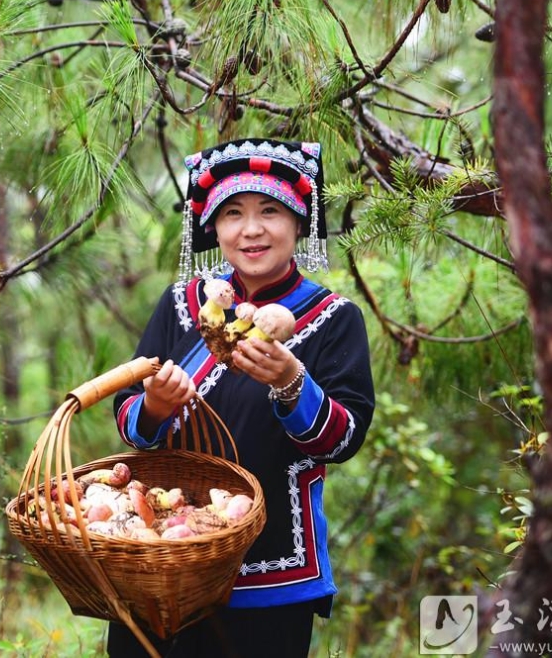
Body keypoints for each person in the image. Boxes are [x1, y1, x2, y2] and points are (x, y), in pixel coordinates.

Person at [108, 138, 375, 657]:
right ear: (214, 228)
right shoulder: (181, 304)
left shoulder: (333, 319)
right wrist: (155, 408)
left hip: (272, 572)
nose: (251, 230)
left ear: (299, 223)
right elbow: (129, 420)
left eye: (269, 211)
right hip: (161, 562)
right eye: (232, 214)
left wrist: (292, 382)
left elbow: (344, 439)